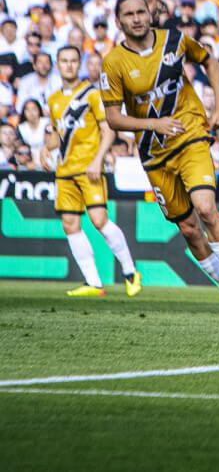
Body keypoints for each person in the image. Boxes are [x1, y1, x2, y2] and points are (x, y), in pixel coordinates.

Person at [101, 0, 219, 313]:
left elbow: (209, 60)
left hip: (191, 134)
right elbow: (113, 117)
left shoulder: (174, 40)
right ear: (119, 22)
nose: (137, 18)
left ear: (149, 14)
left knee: (206, 207)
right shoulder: (113, 63)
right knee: (188, 228)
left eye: (141, 11)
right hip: (154, 153)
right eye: (129, 14)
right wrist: (154, 124)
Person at [46, 45, 141, 298]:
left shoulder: (91, 95)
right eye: (64, 60)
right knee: (70, 224)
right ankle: (94, 283)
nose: (68, 65)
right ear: (58, 63)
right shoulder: (54, 100)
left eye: (73, 61)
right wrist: (45, 150)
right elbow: (57, 134)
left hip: (89, 168)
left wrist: (98, 159)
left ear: (80, 64)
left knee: (100, 220)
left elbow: (108, 129)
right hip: (64, 171)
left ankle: (131, 272)